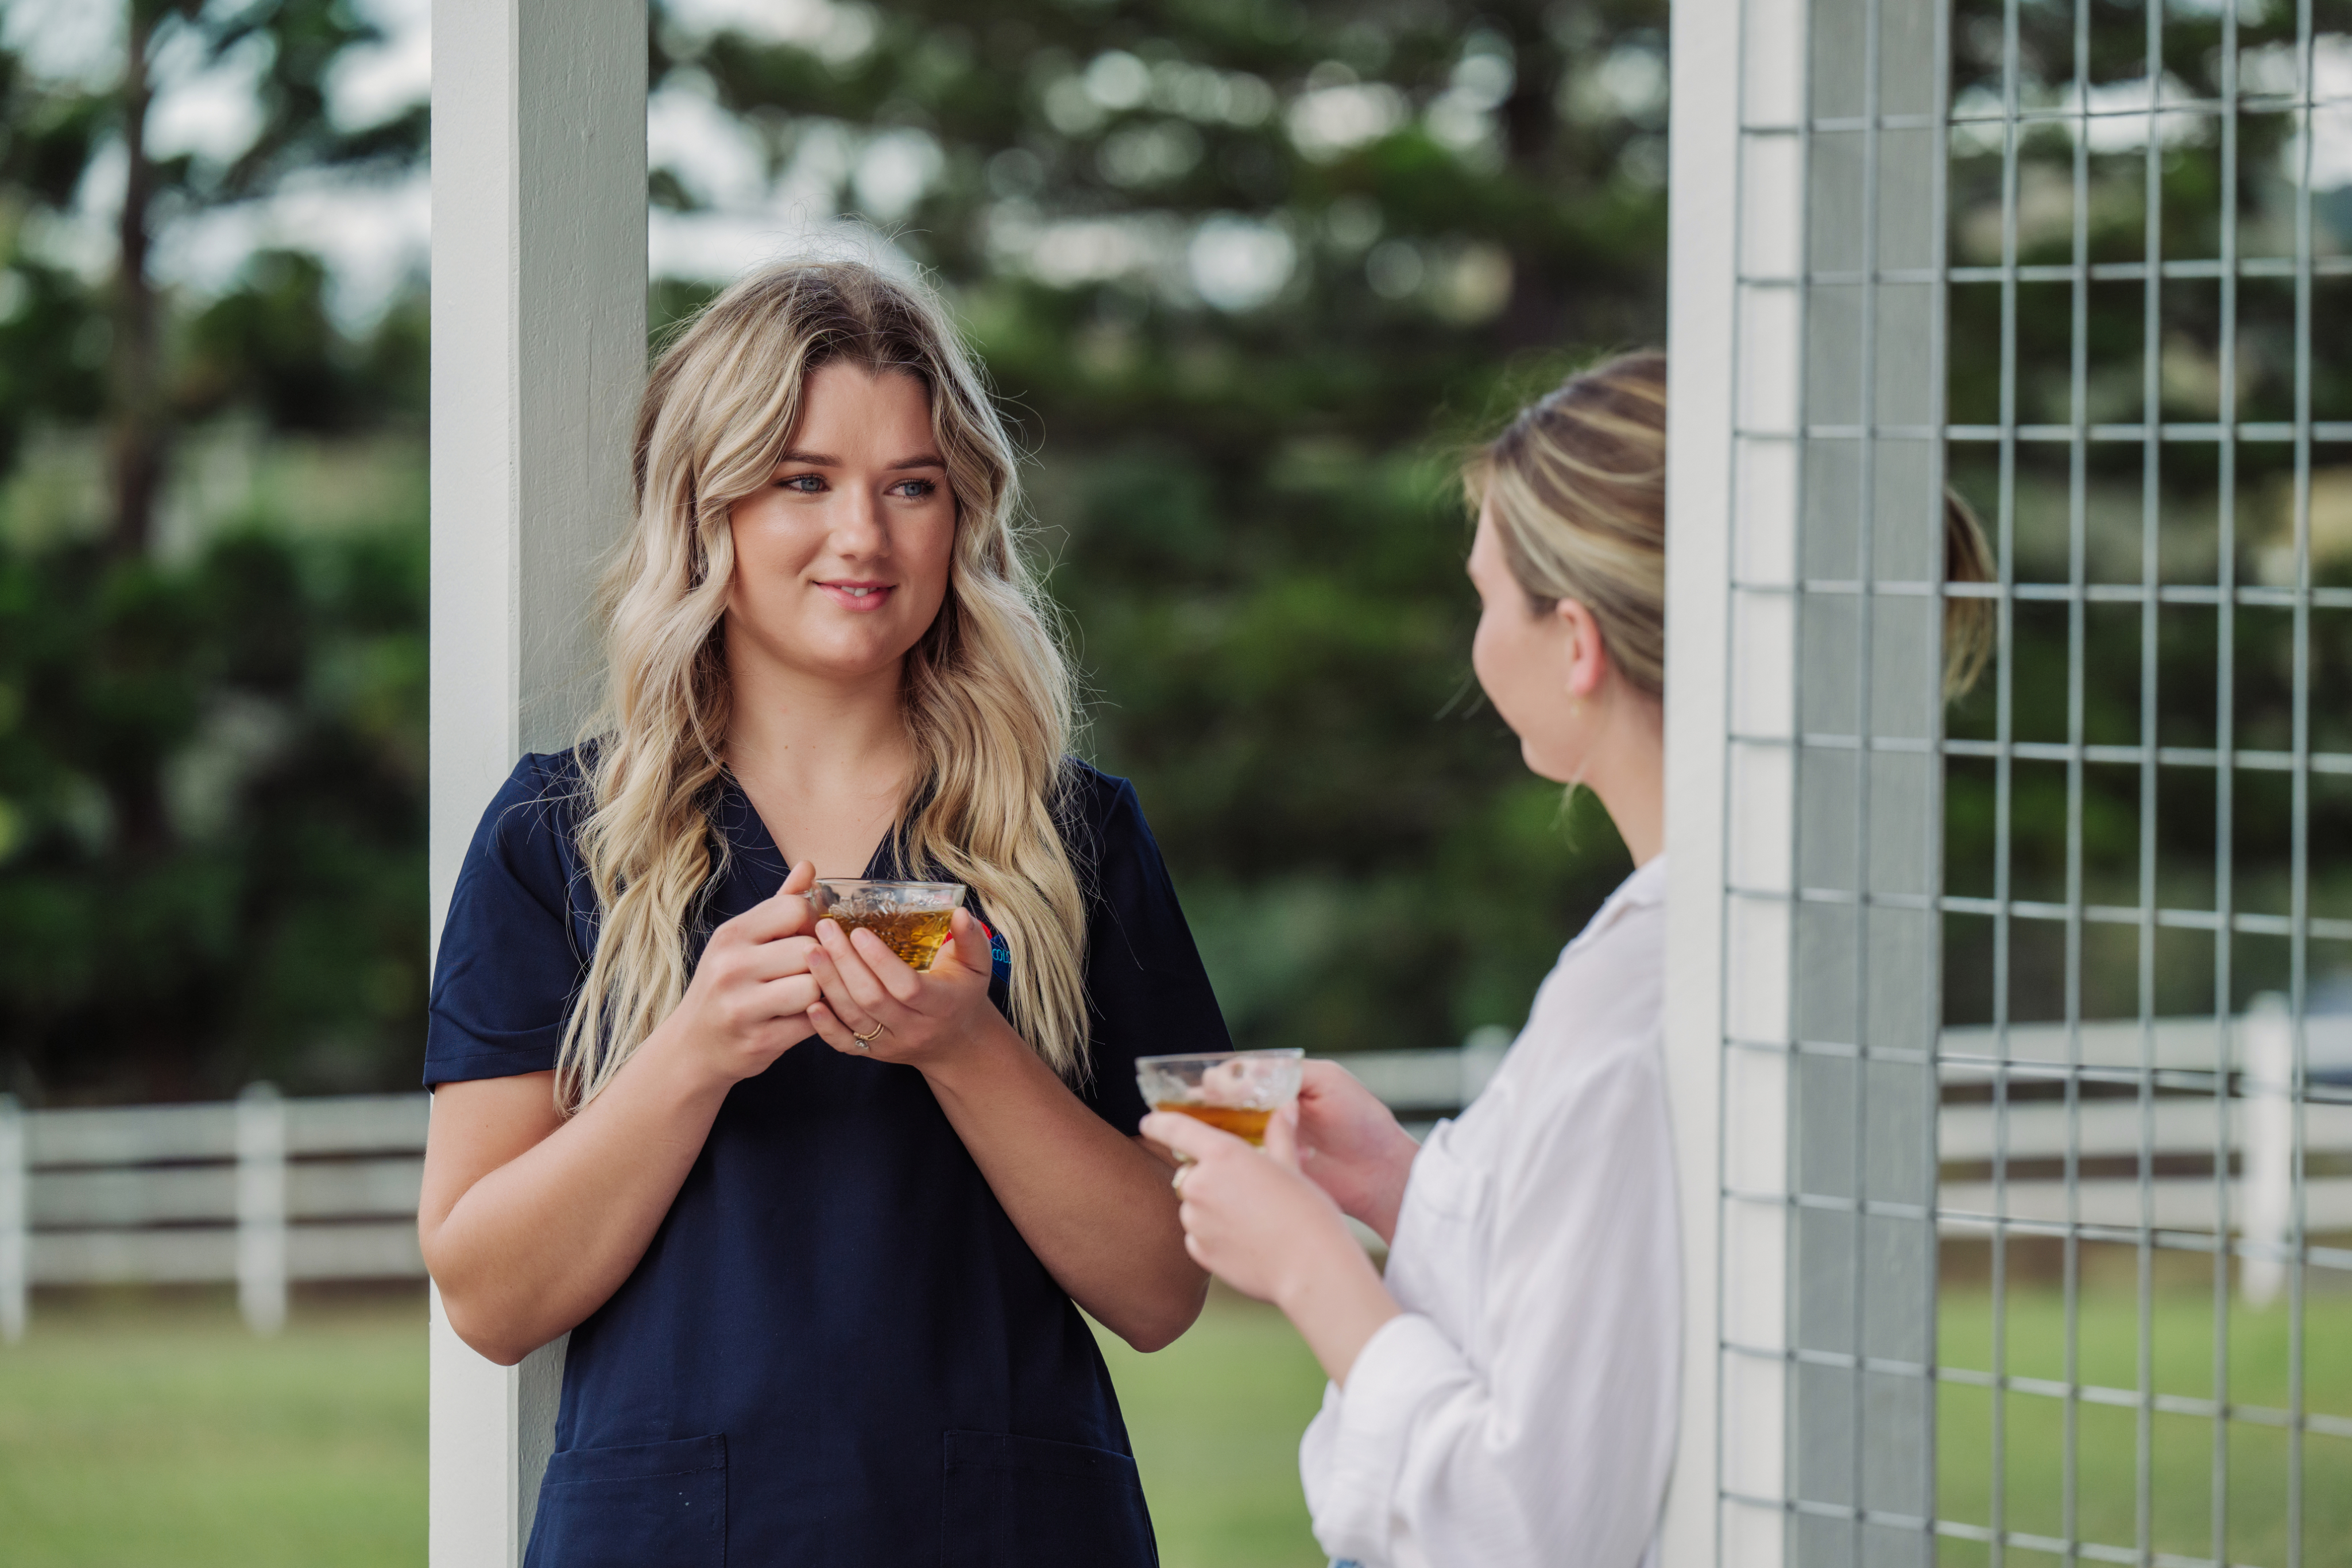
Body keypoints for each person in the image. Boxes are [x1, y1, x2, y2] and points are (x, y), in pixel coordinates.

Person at [417, 259, 1229, 1567]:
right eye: (803, 480)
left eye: (910, 485)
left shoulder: (1085, 837)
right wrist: (694, 1050)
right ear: (705, 506)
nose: (865, 535)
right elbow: (487, 1293)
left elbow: (1164, 1287)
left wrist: (969, 1049)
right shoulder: (549, 837)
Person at [1142, 350, 1994, 1567]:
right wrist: (1398, 1181)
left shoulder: (1637, 996)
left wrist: (1307, 1261)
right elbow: (1604, 1285)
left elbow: (1524, 1527)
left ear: (1576, 643)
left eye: (1487, 595)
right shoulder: (1742, 938)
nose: (1477, 637)